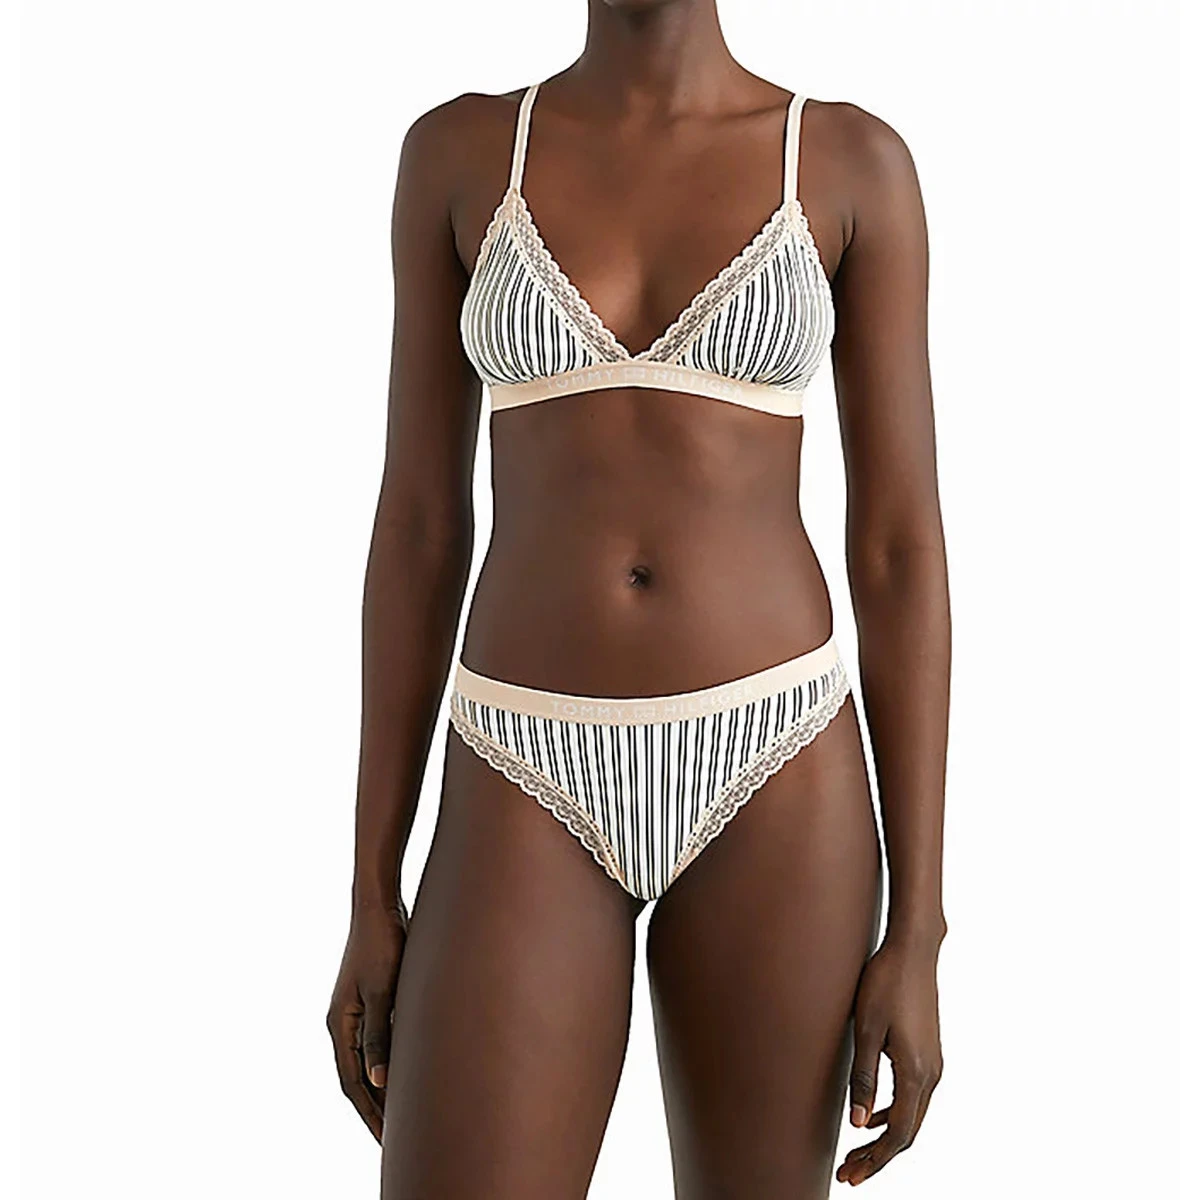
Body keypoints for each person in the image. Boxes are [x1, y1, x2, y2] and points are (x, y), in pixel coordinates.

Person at [328, 1, 950, 1195]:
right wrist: (369, 887)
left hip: (777, 755)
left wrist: (918, 928)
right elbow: (417, 530)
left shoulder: (846, 160)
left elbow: (899, 549)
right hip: (521, 758)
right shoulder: (461, 153)